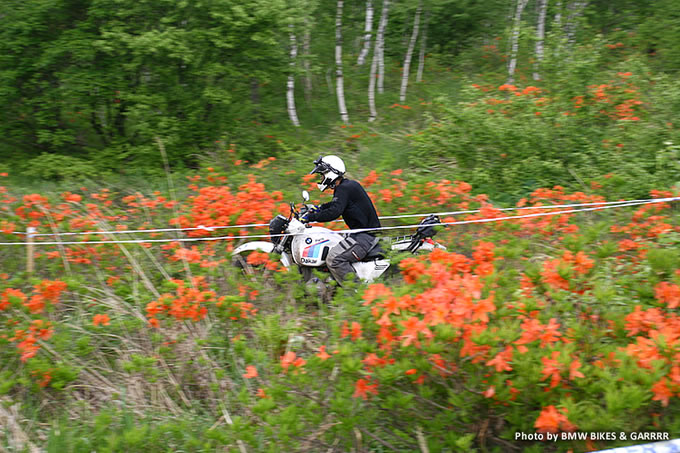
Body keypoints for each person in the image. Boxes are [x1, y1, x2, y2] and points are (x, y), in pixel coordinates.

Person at [302, 155, 381, 285]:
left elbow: (334, 212)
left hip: (364, 237)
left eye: (322, 175)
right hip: (363, 235)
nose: (321, 178)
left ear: (330, 173)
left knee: (334, 259)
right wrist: (318, 208)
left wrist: (310, 217)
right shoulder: (347, 186)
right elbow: (336, 205)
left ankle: (354, 291)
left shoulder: (343, 188)